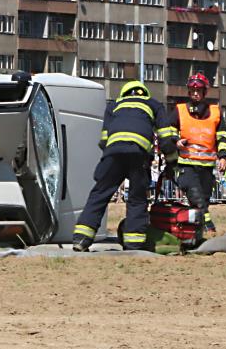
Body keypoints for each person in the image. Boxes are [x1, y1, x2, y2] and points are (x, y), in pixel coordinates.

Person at [71, 80, 177, 251]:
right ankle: (133, 243)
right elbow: (166, 139)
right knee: (137, 198)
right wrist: (173, 162)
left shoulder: (113, 105)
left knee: (99, 194)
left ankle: (81, 239)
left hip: (113, 153)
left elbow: (104, 140)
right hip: (139, 154)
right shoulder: (154, 104)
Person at [174, 72, 226, 234]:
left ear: (204, 92)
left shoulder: (215, 112)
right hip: (186, 165)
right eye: (192, 90)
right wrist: (175, 140)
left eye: (198, 90)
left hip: (207, 167)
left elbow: (223, 137)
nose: (195, 93)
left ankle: (196, 230)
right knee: (197, 198)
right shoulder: (179, 110)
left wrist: (223, 157)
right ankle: (209, 227)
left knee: (203, 200)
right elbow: (169, 131)